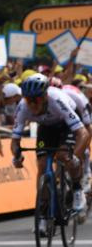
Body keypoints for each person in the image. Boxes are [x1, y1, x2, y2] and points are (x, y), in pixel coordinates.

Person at [11, 74, 89, 223]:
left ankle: (78, 189)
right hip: (46, 128)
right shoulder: (22, 107)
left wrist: (75, 157)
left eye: (37, 99)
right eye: (29, 100)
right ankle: (43, 211)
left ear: (45, 96)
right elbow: (15, 140)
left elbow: (83, 133)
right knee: (41, 165)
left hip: (66, 126)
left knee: (63, 156)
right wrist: (16, 155)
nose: (33, 104)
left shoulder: (57, 101)